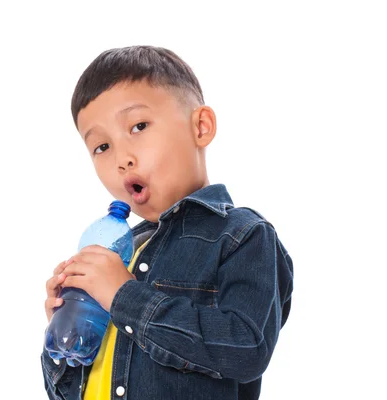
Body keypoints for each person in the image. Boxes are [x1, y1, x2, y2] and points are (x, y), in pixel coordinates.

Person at [41, 45, 294, 400]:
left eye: (139, 126)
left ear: (201, 127)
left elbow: (247, 348)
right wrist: (65, 337)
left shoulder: (242, 236)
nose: (122, 159)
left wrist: (124, 296)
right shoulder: (123, 251)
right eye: (101, 147)